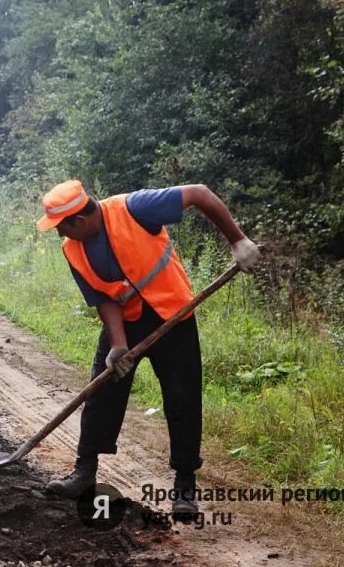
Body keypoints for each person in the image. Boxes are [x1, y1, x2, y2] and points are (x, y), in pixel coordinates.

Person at [35, 180, 260, 519]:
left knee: (182, 399)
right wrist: (118, 345)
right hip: (126, 321)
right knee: (102, 391)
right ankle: (84, 472)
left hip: (173, 314)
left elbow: (199, 193)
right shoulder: (73, 248)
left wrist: (238, 240)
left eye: (61, 226)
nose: (58, 234)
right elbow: (103, 298)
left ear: (79, 220)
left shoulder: (136, 208)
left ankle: (185, 487)